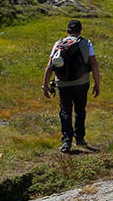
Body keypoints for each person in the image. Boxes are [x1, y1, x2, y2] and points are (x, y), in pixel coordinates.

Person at [42, 18, 100, 153]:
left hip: (62, 83)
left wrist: (45, 86)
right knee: (80, 110)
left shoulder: (59, 43)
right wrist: (97, 84)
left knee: (65, 111)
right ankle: (79, 138)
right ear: (80, 30)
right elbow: (94, 64)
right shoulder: (87, 43)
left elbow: (49, 66)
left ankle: (66, 141)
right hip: (82, 82)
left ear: (67, 30)